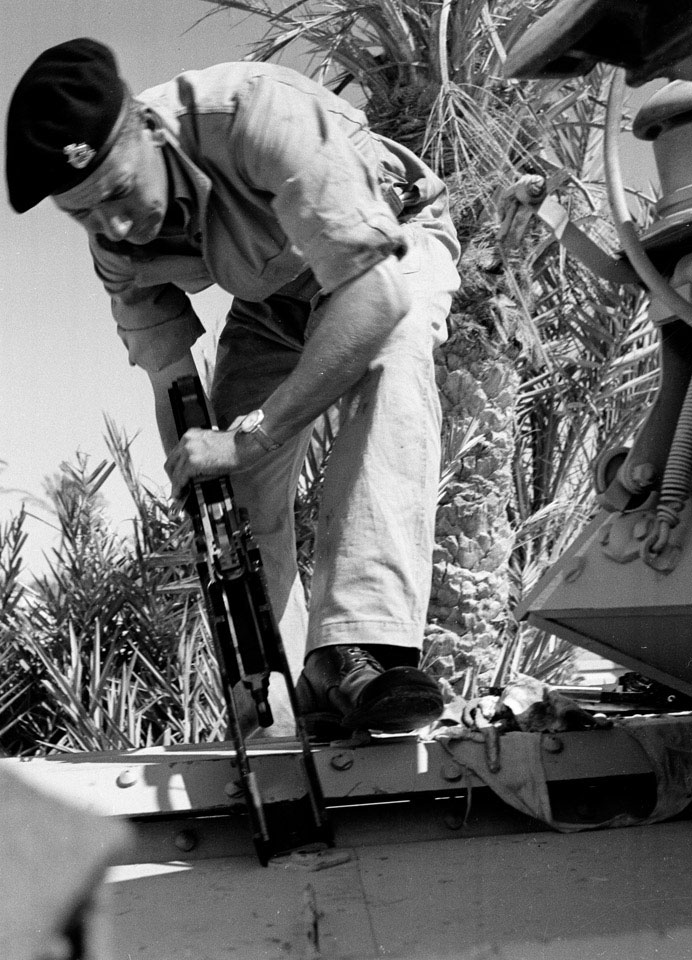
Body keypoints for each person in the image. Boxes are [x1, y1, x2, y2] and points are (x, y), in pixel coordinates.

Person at [6, 38, 461, 739]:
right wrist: (202, 472)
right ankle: (277, 689)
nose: (116, 226)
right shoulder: (116, 247)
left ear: (147, 129)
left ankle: (358, 649)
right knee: (229, 496)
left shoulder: (251, 113)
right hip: (275, 294)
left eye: (122, 194)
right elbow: (171, 380)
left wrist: (255, 434)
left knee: (390, 358)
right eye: (87, 215)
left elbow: (373, 295)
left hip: (387, 253)